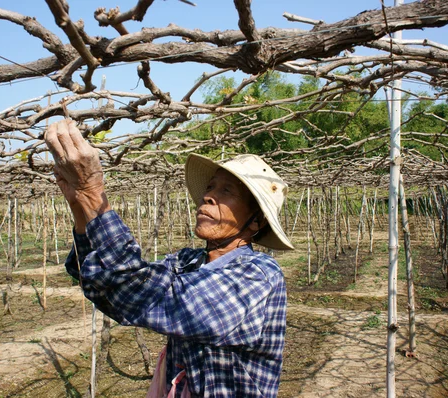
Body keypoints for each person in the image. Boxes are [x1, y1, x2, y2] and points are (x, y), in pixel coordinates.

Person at [45, 119, 294, 397]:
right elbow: (107, 284)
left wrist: (93, 193)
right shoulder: (188, 261)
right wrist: (80, 204)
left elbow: (150, 295)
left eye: (226, 191)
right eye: (210, 188)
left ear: (255, 221)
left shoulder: (258, 275)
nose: (208, 197)